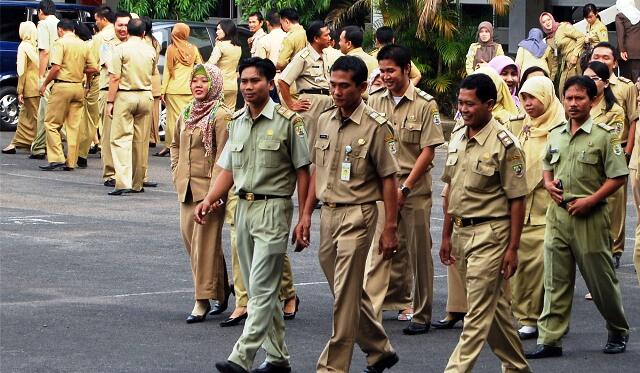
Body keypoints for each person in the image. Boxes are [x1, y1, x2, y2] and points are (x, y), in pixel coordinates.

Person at [194, 57, 310, 373]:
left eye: (255, 81)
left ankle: (241, 357)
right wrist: (208, 200)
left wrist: (304, 217)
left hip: (273, 209)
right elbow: (228, 169)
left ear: (270, 84)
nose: (248, 87)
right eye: (244, 81)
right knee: (261, 289)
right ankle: (278, 359)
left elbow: (304, 172)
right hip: (241, 209)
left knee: (260, 287)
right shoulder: (237, 122)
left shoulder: (289, 122)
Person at [294, 55, 399, 373]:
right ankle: (379, 349)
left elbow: (389, 179)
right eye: (333, 85)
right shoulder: (324, 119)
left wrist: (390, 227)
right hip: (328, 213)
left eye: (344, 86)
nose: (337, 92)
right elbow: (317, 170)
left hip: (359, 213)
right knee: (346, 288)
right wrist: (305, 215)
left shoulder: (377, 127)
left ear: (362, 87)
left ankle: (333, 366)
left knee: (344, 294)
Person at [526, 75, 630, 359]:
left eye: (579, 98)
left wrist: (591, 200)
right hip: (558, 217)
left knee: (601, 280)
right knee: (555, 280)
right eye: (569, 98)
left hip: (590, 217)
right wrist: (548, 184)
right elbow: (548, 164)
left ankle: (617, 328)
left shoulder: (604, 135)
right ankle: (550, 339)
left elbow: (618, 176)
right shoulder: (557, 133)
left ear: (593, 100)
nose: (573, 104)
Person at [440, 73, 531, 373]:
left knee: (476, 314)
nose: (463, 109)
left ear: (490, 104)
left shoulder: (505, 144)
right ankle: (518, 368)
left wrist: (513, 248)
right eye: (460, 103)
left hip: (491, 236)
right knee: (497, 311)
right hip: (462, 234)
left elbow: (517, 199)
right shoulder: (457, 136)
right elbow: (450, 190)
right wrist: (446, 235)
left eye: (470, 104)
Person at [367, 44, 445, 336]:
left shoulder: (425, 104)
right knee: (380, 249)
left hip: (414, 188)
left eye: (391, 71)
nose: (386, 76)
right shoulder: (374, 101)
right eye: (382, 71)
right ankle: (373, 308)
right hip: (381, 188)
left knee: (418, 253)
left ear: (406, 69)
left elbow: (428, 151)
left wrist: (406, 187)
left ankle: (422, 314)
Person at [171, 63, 231, 323]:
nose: (198, 86)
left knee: (203, 247)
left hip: (209, 191)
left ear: (215, 85)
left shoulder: (221, 115)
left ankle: (201, 300)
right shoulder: (186, 112)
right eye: (195, 81)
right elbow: (174, 145)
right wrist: (176, 172)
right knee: (192, 244)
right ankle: (220, 290)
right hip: (186, 189)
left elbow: (223, 158)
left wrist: (215, 194)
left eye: (204, 82)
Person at [508, 76, 564, 340]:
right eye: (525, 98)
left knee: (543, 268)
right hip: (519, 208)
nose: (528, 104)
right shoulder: (521, 127)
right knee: (519, 268)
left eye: (534, 98)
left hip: (547, 208)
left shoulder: (560, 128)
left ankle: (538, 318)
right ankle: (524, 316)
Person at [590, 42, 638, 266]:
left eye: (606, 57)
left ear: (615, 62)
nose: (600, 60)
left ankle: (615, 250)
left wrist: (627, 152)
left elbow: (632, 120)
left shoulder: (625, 86)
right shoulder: (583, 84)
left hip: (617, 150)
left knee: (616, 205)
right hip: (589, 155)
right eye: (596, 56)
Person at [38, 19, 98, 171]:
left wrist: (45, 83)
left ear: (60, 30)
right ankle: (71, 161)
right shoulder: (83, 44)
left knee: (51, 123)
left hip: (62, 86)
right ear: (74, 30)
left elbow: (56, 67)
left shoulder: (60, 43)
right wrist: (79, 71)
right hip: (78, 87)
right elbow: (94, 68)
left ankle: (56, 157)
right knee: (73, 126)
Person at [106, 18, 156, 195]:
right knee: (140, 141)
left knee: (120, 139)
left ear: (127, 31)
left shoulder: (120, 49)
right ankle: (138, 182)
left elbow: (114, 78)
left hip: (125, 96)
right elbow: (152, 73)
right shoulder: (150, 50)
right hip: (145, 95)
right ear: (143, 33)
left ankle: (123, 182)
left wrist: (110, 101)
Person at [157, 23, 202, 158]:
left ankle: (171, 146)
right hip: (189, 90)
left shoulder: (171, 49)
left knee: (173, 120)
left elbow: (166, 72)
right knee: (188, 118)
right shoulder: (193, 49)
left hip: (173, 89)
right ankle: (187, 144)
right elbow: (200, 67)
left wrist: (162, 91)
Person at [278, 20, 333, 129]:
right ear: (316, 39)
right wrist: (291, 104)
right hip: (311, 104)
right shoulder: (303, 57)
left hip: (327, 101)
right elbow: (282, 81)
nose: (330, 38)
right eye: (326, 35)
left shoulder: (325, 55)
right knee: (310, 141)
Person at [101, 11, 129, 187]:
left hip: (129, 93)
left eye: (127, 25)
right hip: (110, 91)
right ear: (114, 26)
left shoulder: (137, 43)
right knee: (110, 136)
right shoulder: (106, 44)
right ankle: (110, 174)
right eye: (120, 25)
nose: (123, 29)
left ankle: (131, 175)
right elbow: (110, 67)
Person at [2, 22, 39, 155]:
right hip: (39, 84)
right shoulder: (37, 46)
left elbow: (21, 71)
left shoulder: (23, 46)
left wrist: (20, 90)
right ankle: (15, 143)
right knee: (24, 115)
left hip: (30, 86)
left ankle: (42, 144)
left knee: (35, 117)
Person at [29, 0, 59, 160]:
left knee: (45, 112)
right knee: (62, 113)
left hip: (49, 72)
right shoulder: (61, 24)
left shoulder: (43, 25)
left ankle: (39, 147)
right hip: (63, 73)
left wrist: (41, 77)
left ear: (40, 11)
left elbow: (44, 52)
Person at [539, 12, 583, 97]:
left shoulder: (563, 27)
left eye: (548, 20)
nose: (547, 23)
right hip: (566, 63)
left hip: (577, 61)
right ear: (542, 25)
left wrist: (575, 55)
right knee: (562, 89)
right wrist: (551, 79)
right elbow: (555, 59)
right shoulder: (549, 40)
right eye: (544, 22)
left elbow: (581, 37)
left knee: (576, 88)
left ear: (552, 19)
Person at [75, 20, 100, 169]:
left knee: (84, 119)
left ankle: (81, 152)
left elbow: (92, 68)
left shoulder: (88, 45)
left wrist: (88, 83)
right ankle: (94, 143)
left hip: (91, 84)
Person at [209, 19, 242, 109]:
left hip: (220, 85)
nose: (216, 32)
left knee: (216, 115)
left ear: (226, 30)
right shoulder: (238, 46)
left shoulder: (220, 46)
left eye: (219, 29)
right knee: (230, 115)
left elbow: (210, 65)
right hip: (233, 85)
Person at [141, 16, 162, 150]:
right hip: (155, 78)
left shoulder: (143, 42)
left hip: (146, 78)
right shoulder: (155, 41)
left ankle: (147, 137)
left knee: (146, 111)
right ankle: (153, 137)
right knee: (154, 111)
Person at [615, 0, 640, 81]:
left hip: (626, 51)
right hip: (638, 51)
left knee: (626, 79)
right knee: (637, 77)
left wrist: (622, 50)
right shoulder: (638, 14)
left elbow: (620, 34)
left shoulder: (620, 16)